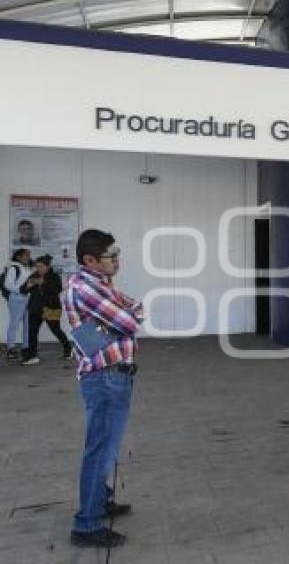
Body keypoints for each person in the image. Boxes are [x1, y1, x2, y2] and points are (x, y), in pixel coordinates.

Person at [65, 230, 142, 548]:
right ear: (90, 260)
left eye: (117, 253)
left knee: (107, 448)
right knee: (100, 451)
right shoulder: (86, 288)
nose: (117, 260)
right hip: (105, 377)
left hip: (114, 374)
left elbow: (136, 309)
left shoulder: (100, 284)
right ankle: (87, 525)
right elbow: (133, 322)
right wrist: (122, 319)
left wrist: (112, 322)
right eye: (112, 256)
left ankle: (102, 500)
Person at [21, 254, 72, 365]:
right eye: (37, 266)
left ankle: (68, 348)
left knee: (56, 330)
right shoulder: (33, 275)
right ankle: (32, 356)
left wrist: (43, 283)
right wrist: (27, 286)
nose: (38, 268)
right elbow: (22, 290)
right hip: (35, 308)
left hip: (51, 308)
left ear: (47, 266)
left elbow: (57, 289)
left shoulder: (54, 276)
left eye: (41, 266)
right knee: (32, 332)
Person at [4, 248, 33, 360]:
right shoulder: (13, 268)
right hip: (16, 299)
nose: (28, 257)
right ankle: (10, 348)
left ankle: (26, 347)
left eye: (29, 255)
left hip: (27, 299)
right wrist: (21, 289)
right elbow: (8, 285)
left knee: (28, 325)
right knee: (14, 324)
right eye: (26, 255)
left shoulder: (27, 268)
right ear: (18, 257)